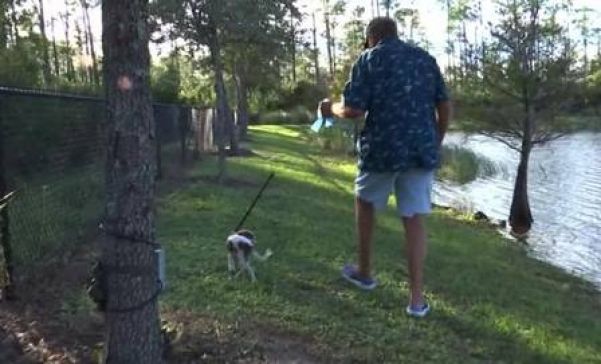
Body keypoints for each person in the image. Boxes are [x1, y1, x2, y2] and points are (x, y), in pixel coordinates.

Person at [320, 17, 451, 318]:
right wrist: (436, 140)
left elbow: (353, 109)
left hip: (381, 149)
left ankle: (365, 272)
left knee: (366, 203)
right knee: (414, 218)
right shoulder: (424, 59)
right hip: (420, 150)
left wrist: (329, 108)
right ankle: (416, 301)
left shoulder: (368, 59)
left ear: (372, 37)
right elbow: (444, 105)